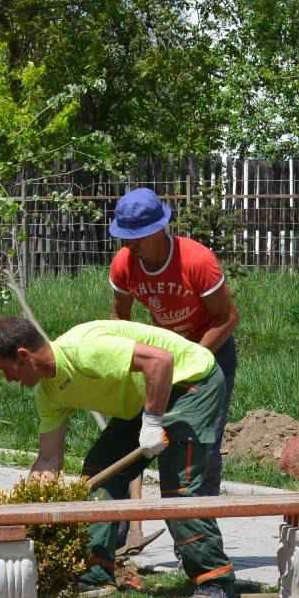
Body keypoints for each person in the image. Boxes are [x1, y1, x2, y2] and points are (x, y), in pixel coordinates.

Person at [0, 316, 237, 598]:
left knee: (180, 487)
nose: (8, 379)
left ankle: (216, 580)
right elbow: (48, 459)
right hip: (145, 395)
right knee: (98, 471)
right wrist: (27, 510)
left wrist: (151, 423)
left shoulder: (84, 350)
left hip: (189, 380)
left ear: (23, 356)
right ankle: (95, 573)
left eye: (5, 369)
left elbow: (161, 362)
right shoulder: (48, 393)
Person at [107, 188, 239, 494]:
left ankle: (199, 517)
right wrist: (128, 363)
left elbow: (228, 318)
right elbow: (119, 318)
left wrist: (190, 359)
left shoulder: (196, 261)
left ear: (159, 229)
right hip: (164, 356)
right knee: (142, 431)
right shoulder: (124, 264)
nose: (129, 244)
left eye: (137, 237)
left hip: (211, 351)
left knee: (199, 438)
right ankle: (122, 521)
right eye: (124, 236)